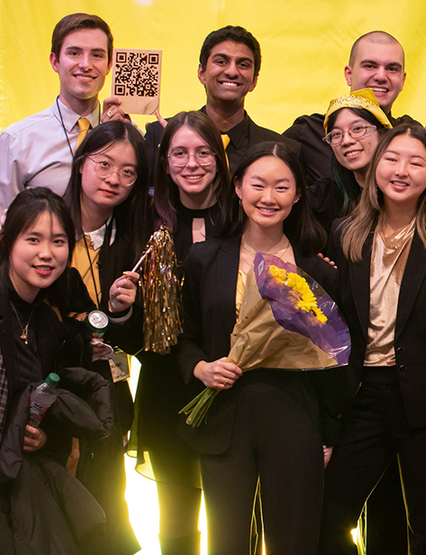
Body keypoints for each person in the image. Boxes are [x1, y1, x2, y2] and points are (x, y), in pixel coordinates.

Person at [318, 124, 426, 555]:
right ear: (376, 165)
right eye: (391, 158)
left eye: (415, 162)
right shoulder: (345, 234)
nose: (400, 170)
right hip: (363, 394)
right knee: (328, 512)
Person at [174, 140, 335, 553]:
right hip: (223, 415)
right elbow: (184, 336)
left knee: (294, 542)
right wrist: (200, 368)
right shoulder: (204, 259)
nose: (268, 197)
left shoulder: (316, 267)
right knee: (225, 542)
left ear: (298, 195)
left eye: (282, 187)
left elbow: (334, 358)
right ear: (238, 187)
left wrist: (330, 433)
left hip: (294, 417)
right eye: (258, 185)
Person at [0, 187, 113, 552]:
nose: (47, 253)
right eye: (33, 239)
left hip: (10, 477)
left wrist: (37, 437)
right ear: (6, 239)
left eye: (58, 241)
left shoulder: (44, 319)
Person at [135, 110, 233, 555]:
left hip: (231, 384)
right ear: (164, 161)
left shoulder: (244, 215)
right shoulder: (143, 222)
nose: (191, 163)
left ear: (219, 157)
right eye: (179, 153)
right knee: (175, 519)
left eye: (203, 152)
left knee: (232, 517)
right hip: (166, 387)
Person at [63, 119, 150, 554]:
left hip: (108, 394)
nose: (115, 178)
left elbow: (137, 342)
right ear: (81, 164)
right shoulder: (46, 224)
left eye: (129, 172)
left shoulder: (135, 242)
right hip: (47, 388)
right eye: (104, 164)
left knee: (104, 509)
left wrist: (121, 312)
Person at [0, 13, 127, 236]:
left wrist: (119, 137)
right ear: (55, 61)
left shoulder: (126, 137)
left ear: (109, 65)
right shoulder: (18, 139)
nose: (86, 64)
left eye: (97, 55)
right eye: (74, 53)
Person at [145, 25, 292, 172]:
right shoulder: (161, 135)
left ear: (254, 81)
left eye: (243, 64)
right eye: (221, 62)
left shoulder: (281, 150)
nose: (232, 71)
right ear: (202, 73)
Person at [284, 31, 416, 185]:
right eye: (370, 66)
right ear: (349, 74)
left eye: (392, 69)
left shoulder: (411, 134)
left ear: (402, 80)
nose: (381, 76)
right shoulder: (308, 133)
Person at [309, 88, 393, 233]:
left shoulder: (404, 189)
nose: (346, 141)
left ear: (382, 134)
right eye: (336, 134)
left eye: (357, 128)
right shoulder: (323, 198)